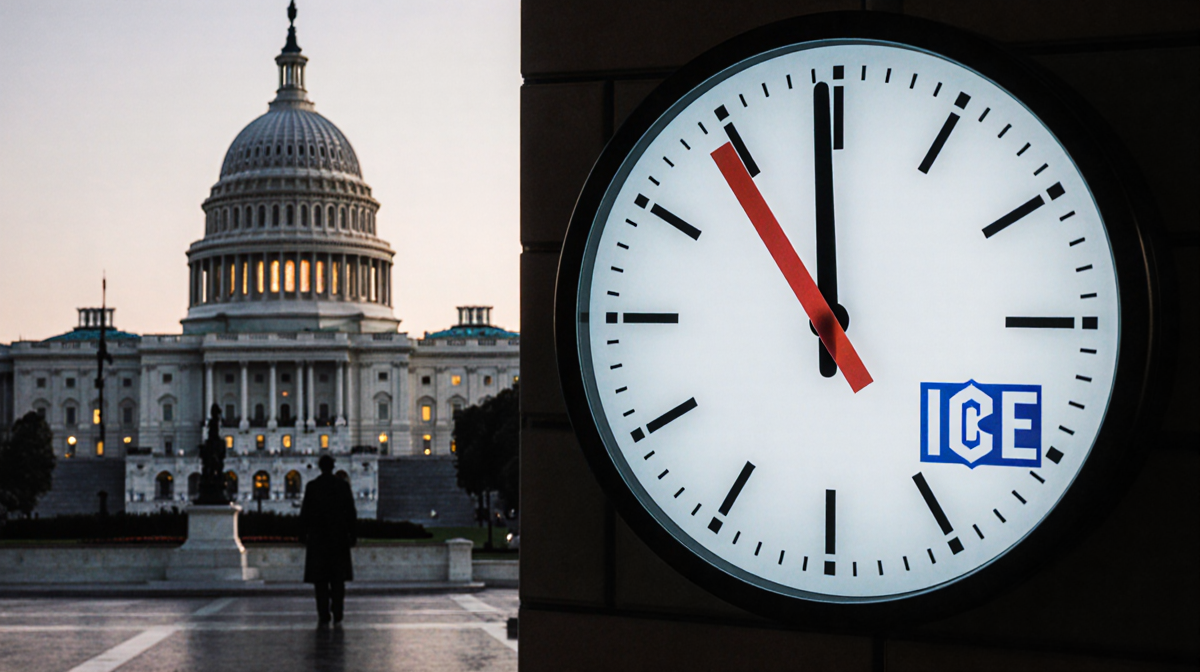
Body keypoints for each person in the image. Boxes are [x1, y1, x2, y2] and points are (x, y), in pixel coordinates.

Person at [300, 454, 357, 625]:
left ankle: (323, 612)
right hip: (338, 539)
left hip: (318, 540)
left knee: (321, 581)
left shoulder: (312, 486)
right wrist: (352, 535)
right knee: (338, 579)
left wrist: (303, 535)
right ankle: (338, 610)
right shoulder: (342, 486)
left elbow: (305, 514)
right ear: (333, 467)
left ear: (320, 467)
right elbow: (351, 513)